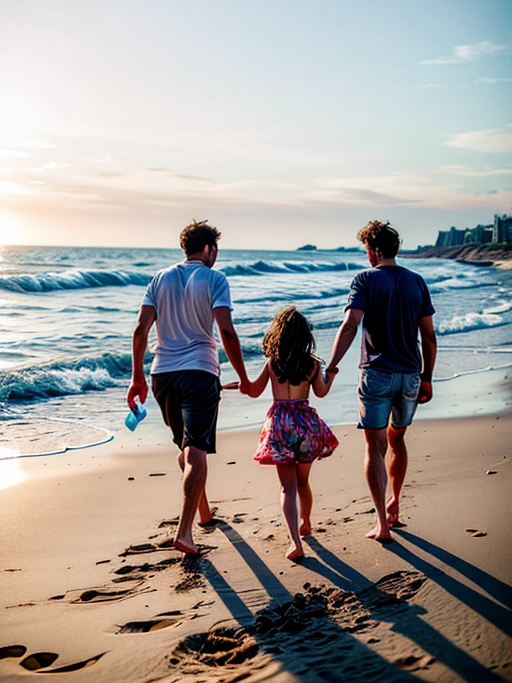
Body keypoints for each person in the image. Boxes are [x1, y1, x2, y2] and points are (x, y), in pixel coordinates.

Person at [127, 221, 250, 556]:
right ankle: (184, 531)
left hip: (162, 374)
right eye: (216, 250)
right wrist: (246, 377)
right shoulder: (214, 279)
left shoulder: (159, 278)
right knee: (196, 449)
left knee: (186, 448)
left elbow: (140, 329)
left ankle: (205, 512)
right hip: (199, 371)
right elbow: (226, 332)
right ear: (209, 249)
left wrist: (137, 377)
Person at [327, 220, 437, 543]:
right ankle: (394, 504)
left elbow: (350, 326)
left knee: (374, 445)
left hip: (375, 374)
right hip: (409, 376)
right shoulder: (417, 282)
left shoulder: (364, 279)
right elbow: (429, 336)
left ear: (373, 251)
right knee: (396, 439)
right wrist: (427, 378)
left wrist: (331, 366)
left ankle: (381, 524)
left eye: (367, 251)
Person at [247, 306, 339, 561]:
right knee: (302, 483)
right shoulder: (311, 364)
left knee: (287, 488)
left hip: (280, 428)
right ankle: (306, 522)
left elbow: (254, 391)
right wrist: (329, 376)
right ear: (304, 336)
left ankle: (295, 542)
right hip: (306, 429)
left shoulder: (272, 363)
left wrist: (243, 383)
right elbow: (320, 392)